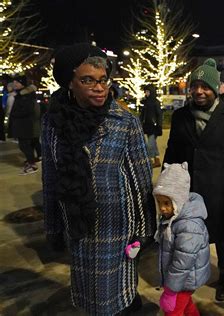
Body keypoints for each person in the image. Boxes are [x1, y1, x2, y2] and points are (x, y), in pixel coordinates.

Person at [42, 43, 156, 315]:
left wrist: (145, 228)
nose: (99, 87)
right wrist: (53, 227)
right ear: (70, 83)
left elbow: (141, 180)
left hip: (118, 226)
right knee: (89, 294)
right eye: (87, 80)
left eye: (103, 80)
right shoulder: (53, 122)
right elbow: (51, 178)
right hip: (78, 225)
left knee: (116, 293)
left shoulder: (124, 121)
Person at [163, 58, 224, 302]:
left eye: (205, 86)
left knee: (221, 236)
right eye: (194, 85)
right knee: (187, 234)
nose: (199, 91)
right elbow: (171, 152)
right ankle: (188, 276)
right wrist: (167, 186)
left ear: (215, 87)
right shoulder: (181, 117)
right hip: (188, 189)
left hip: (219, 188)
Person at [154, 162, 210, 316]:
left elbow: (182, 263)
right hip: (180, 280)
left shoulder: (188, 226)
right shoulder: (173, 217)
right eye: (159, 202)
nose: (162, 208)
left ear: (179, 200)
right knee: (185, 306)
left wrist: (171, 290)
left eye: (167, 203)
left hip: (184, 280)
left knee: (173, 311)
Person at [8, 73, 41, 174]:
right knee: (26, 144)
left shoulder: (26, 95)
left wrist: (14, 114)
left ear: (22, 84)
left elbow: (28, 110)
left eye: (17, 82)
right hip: (22, 124)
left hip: (25, 125)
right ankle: (31, 160)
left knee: (24, 145)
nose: (14, 84)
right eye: (14, 82)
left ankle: (32, 165)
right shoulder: (20, 94)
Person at [140, 84, 163, 168]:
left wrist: (159, 125)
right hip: (147, 125)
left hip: (154, 126)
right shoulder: (146, 102)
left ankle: (150, 161)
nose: (146, 93)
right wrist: (140, 122)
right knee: (153, 143)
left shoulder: (155, 102)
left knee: (150, 144)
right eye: (145, 92)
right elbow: (143, 114)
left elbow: (159, 114)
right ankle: (156, 160)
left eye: (147, 92)